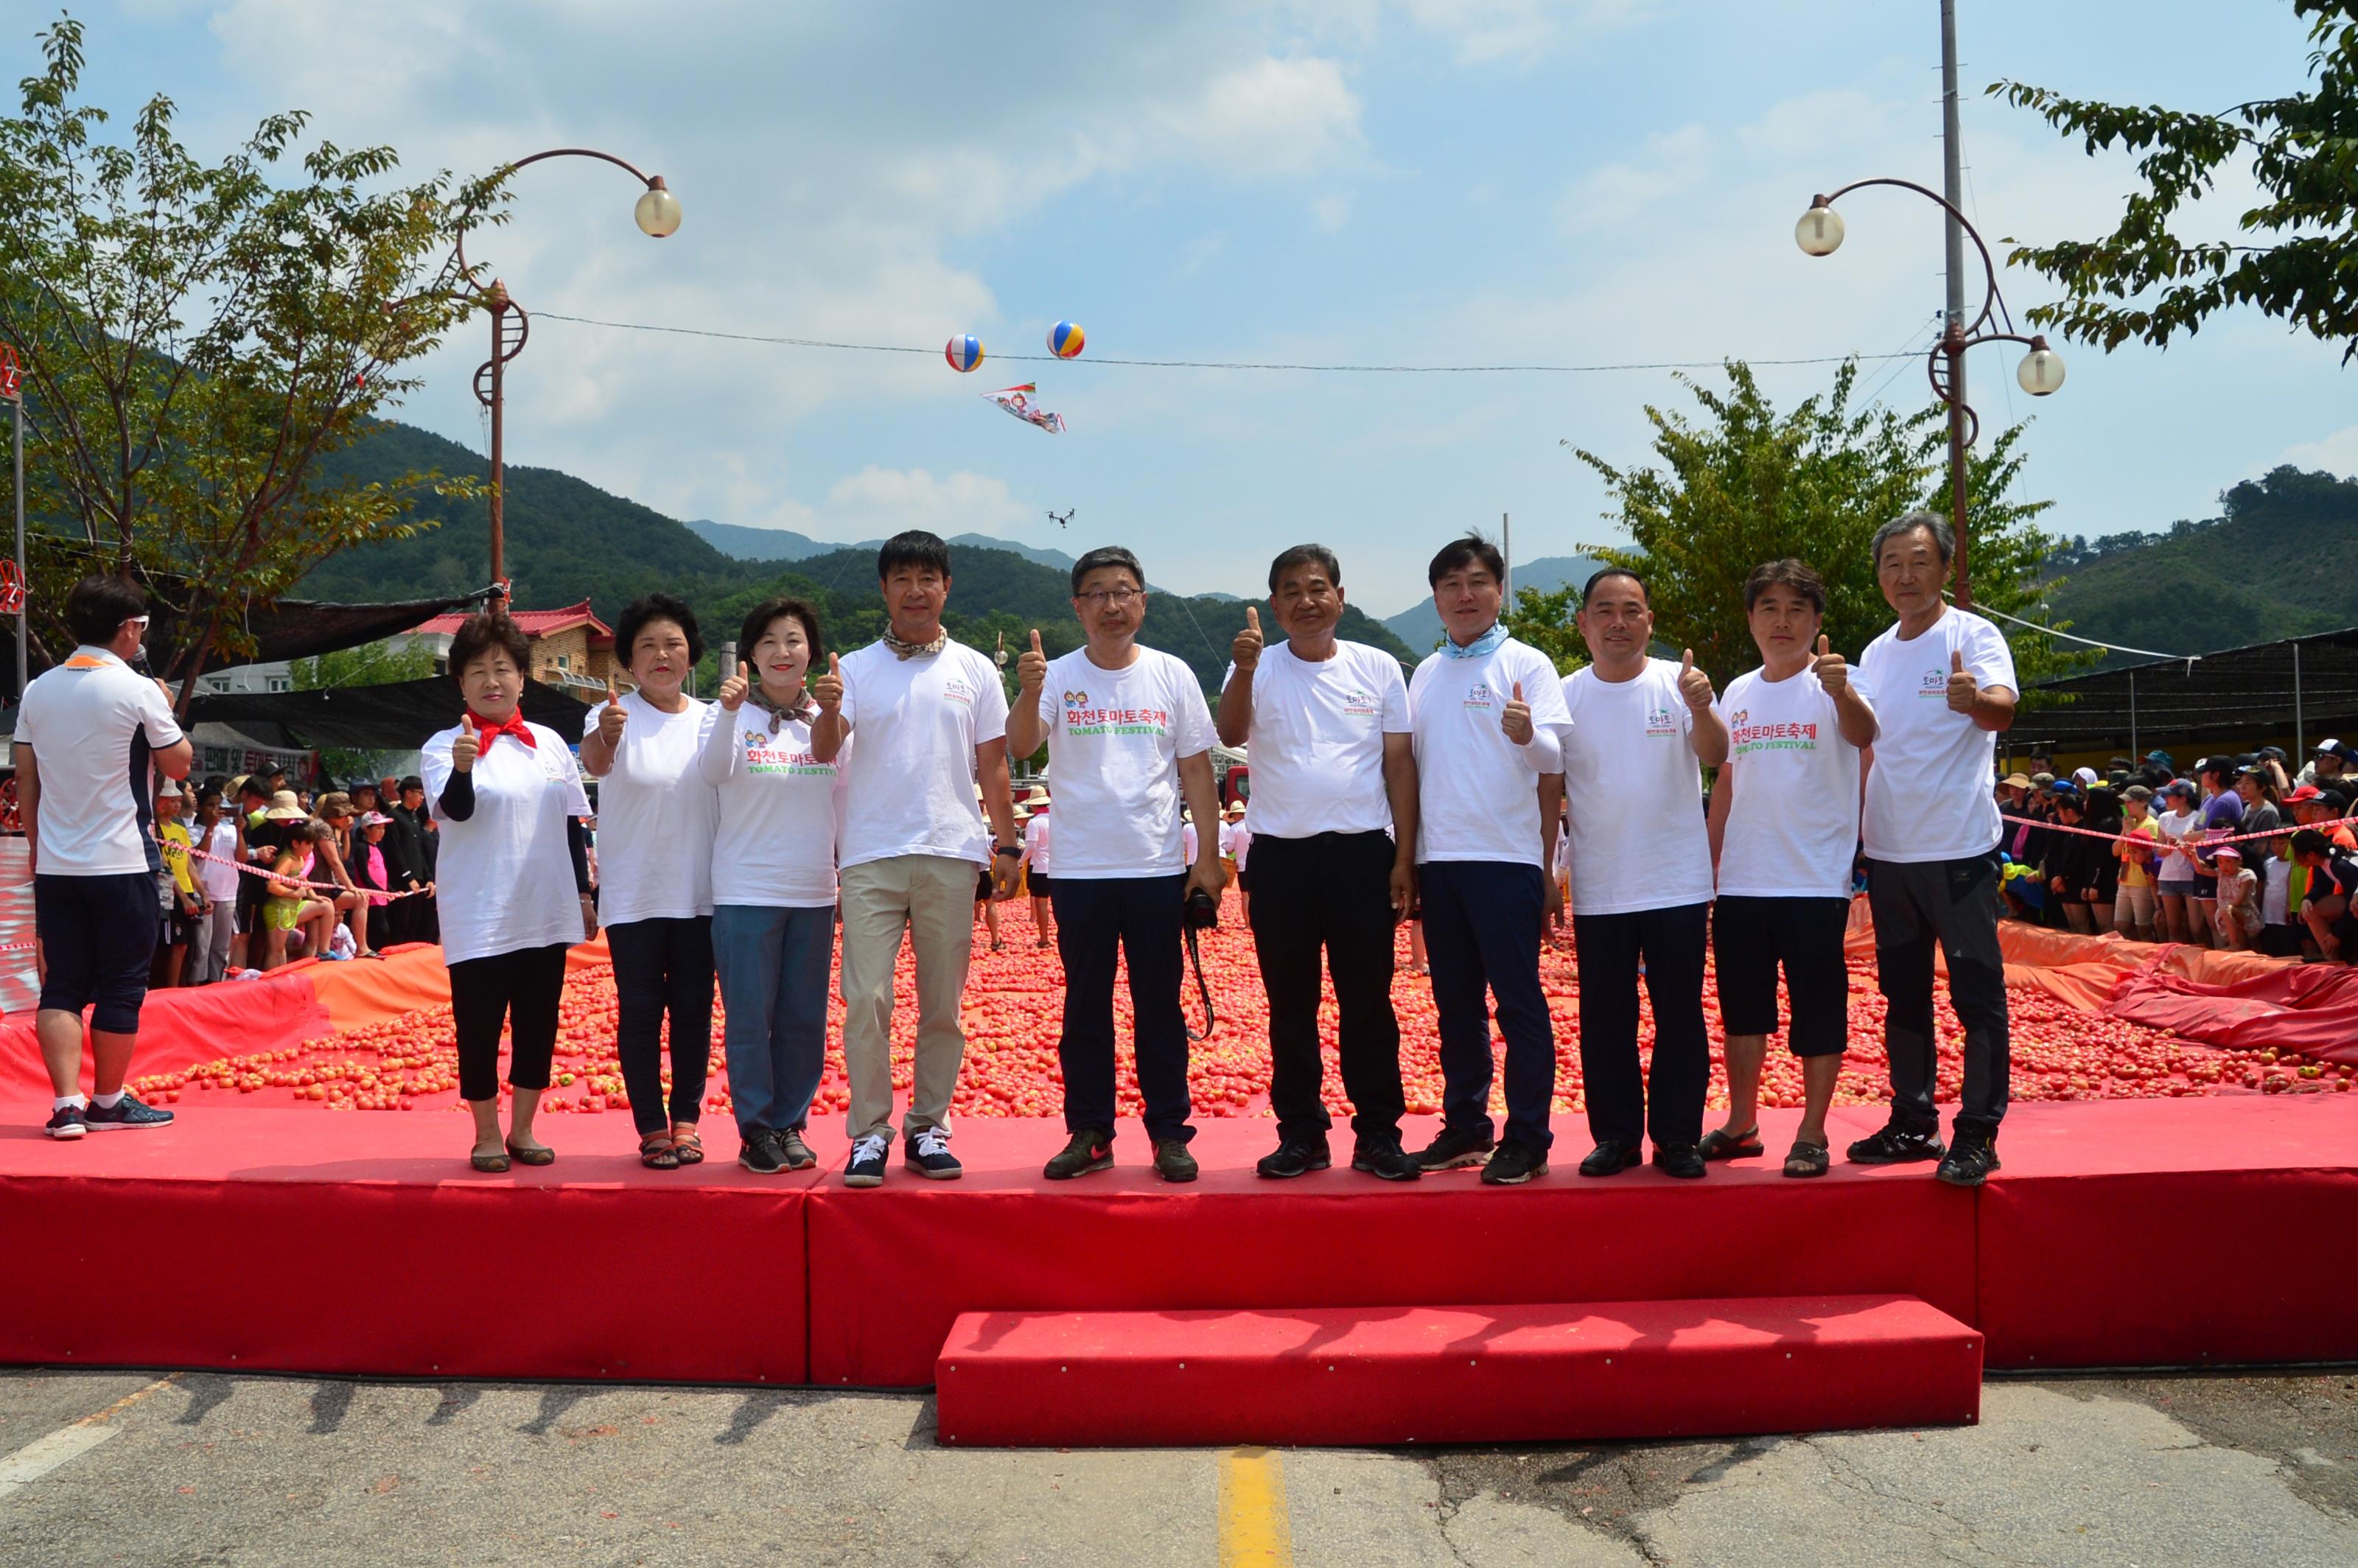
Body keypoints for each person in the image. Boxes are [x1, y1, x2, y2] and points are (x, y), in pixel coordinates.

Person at [1010, 546, 1226, 1183]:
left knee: (1160, 1005)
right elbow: (1022, 744)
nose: (1112, 604)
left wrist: (1206, 860)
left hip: (1155, 865)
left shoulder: (1172, 674)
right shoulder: (1058, 677)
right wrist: (1027, 691)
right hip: (1079, 870)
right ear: (1078, 608)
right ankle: (1091, 1132)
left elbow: (1195, 770)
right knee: (1086, 1007)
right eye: (1097, 593)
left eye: (1123, 591)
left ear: (1143, 601)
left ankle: (1168, 1132)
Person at [812, 531, 1021, 1187]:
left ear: (946, 587)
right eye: (901, 578)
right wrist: (827, 709)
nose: (914, 590)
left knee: (942, 1006)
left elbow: (993, 765)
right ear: (883, 589)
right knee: (866, 998)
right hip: (872, 852)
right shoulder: (855, 670)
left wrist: (1008, 842)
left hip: (951, 850)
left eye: (927, 578)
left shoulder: (976, 669)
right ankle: (869, 1133)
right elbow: (824, 751)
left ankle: (929, 1125)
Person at [1217, 543, 1420, 1182]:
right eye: (1291, 592)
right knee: (1290, 1006)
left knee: (1369, 1002)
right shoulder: (1255, 665)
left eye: (1317, 588)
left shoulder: (1380, 667)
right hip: (1280, 858)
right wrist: (1244, 670)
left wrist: (1404, 858)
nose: (1306, 602)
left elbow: (1398, 766)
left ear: (1340, 595)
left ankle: (1379, 1133)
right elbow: (1229, 733)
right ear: (1274, 605)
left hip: (1362, 854)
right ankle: (1302, 1133)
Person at [1851, 512, 2017, 1187]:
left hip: (1958, 851)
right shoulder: (1874, 653)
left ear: (1945, 567)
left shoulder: (1973, 635)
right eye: (1892, 562)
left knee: (1977, 995)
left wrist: (1974, 699)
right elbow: (1862, 742)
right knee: (1904, 995)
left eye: (1919, 561)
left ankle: (1977, 1133)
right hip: (1890, 853)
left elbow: (2004, 708)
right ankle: (1913, 1121)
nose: (1905, 575)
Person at [1402, 534, 1572, 1185]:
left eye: (1477, 582)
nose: (1464, 595)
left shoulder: (1526, 662)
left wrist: (1530, 735)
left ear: (1499, 590)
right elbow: (1412, 770)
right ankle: (1468, 1127)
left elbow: (1555, 762)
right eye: (1450, 585)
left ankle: (1527, 1136)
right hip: (1440, 861)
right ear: (1437, 598)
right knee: (1457, 1006)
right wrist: (1410, 859)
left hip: (1505, 861)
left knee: (1519, 1003)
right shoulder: (1426, 672)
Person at [1701, 559, 1878, 1180]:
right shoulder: (1740, 691)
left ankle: (1811, 1131)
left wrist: (1840, 691)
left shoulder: (1839, 681)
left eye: (1796, 609)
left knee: (1817, 1008)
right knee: (1743, 1009)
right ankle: (1742, 1121)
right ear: (1750, 619)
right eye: (1769, 608)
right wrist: (1709, 862)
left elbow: (1866, 736)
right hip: (1743, 881)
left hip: (1812, 881)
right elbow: (1727, 779)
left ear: (1817, 620)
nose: (1782, 621)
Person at [1556, 567, 1726, 1180]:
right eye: (1604, 610)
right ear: (1583, 624)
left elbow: (1715, 754)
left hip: (1676, 881)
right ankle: (1618, 1137)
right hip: (1601, 885)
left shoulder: (1677, 684)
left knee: (1679, 1011)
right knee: (1607, 1016)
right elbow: (1548, 787)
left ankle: (1678, 1137)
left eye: (1632, 610)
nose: (1618, 622)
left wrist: (1702, 708)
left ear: (1649, 620)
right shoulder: (1566, 694)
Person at [18, 573, 194, 1136]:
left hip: (56, 864)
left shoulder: (38, 689)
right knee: (122, 983)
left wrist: (36, 849)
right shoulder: (138, 688)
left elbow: (27, 778)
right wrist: (166, 707)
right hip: (122, 859)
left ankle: (66, 1104)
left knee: (62, 983)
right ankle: (110, 1101)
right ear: (126, 629)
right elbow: (179, 766)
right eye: (141, 627)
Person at [422, 610, 598, 1171]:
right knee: (478, 1024)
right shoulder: (443, 745)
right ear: (461, 682)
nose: (492, 681)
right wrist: (463, 768)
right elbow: (456, 810)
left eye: (503, 668)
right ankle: (485, 1133)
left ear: (523, 677)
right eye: (478, 671)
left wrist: (584, 894)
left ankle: (524, 1127)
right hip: (479, 912)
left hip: (544, 908)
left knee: (537, 1022)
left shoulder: (548, 744)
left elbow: (571, 822)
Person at [699, 598, 844, 1177]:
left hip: (813, 891)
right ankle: (756, 1130)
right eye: (768, 643)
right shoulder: (729, 713)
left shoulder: (830, 718)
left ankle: (791, 1122)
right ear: (751, 656)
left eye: (793, 640)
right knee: (750, 1019)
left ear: (811, 650)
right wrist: (732, 713)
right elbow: (713, 772)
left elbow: (849, 797)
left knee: (803, 1018)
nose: (782, 653)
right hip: (746, 891)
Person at [578, 592, 721, 1172]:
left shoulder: (714, 718)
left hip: (701, 892)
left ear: (691, 655)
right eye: (648, 646)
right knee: (640, 1010)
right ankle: (650, 1126)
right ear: (629, 662)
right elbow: (594, 762)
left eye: (674, 645)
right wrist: (608, 733)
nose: (662, 655)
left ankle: (686, 1118)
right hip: (636, 893)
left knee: (693, 1008)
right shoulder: (610, 713)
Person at [153, 780, 201, 990]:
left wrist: (203, 894)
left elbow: (189, 863)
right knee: (170, 944)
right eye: (171, 801)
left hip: (187, 891)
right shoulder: (154, 829)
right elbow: (164, 868)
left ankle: (176, 987)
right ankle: (167, 988)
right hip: (170, 895)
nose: (176, 805)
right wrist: (183, 897)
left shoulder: (180, 829)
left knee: (183, 945)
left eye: (178, 801)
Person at [189, 787, 239, 984]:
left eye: (219, 805)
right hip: (203, 894)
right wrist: (211, 827)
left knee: (221, 946)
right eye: (210, 805)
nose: (216, 809)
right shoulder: (192, 831)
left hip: (228, 893)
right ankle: (195, 985)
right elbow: (200, 855)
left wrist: (241, 831)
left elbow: (241, 856)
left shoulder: (230, 830)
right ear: (200, 807)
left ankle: (216, 983)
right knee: (202, 946)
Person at [2291, 828, 2358, 961]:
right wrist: (2307, 899)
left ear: (2310, 855)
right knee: (2311, 909)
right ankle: (2332, 959)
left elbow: (2353, 905)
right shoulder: (2322, 863)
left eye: (2297, 854)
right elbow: (2321, 887)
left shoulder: (2341, 866)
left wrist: (2336, 935)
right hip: (2353, 897)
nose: (2295, 859)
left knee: (2354, 906)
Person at [2152, 780, 2201, 943]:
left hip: (2191, 877)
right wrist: (2170, 846)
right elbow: (2159, 851)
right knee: (2173, 928)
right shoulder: (2164, 818)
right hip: (2168, 877)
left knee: (2197, 929)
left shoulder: (2198, 818)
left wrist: (2181, 846)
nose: (2165, 798)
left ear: (2183, 798)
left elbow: (2198, 849)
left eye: (2169, 795)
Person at [2113, 784, 2162, 942]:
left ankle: (2149, 956)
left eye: (2129, 802)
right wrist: (2125, 832)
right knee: (2120, 925)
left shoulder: (2151, 825)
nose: (2126, 806)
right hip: (2125, 879)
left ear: (2142, 803)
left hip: (2142, 881)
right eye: (2125, 803)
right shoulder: (2129, 823)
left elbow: (2147, 855)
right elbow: (2115, 851)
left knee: (2143, 927)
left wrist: (2128, 833)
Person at [1020, 788, 1054, 948]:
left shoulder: (1034, 823)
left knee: (1041, 903)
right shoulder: (1056, 820)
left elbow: (1031, 846)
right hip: (1058, 867)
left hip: (1040, 867)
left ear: (1033, 806)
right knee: (1060, 903)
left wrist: (1020, 862)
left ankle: (1044, 938)